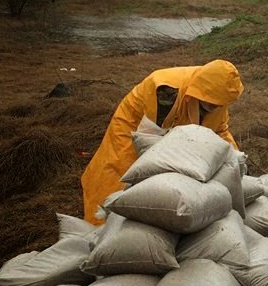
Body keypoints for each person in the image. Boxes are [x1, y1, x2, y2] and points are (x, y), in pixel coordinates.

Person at [81, 59, 244, 223]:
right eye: (210, 103)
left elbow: (220, 131)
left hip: (174, 127)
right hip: (135, 126)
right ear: (201, 92)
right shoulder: (165, 92)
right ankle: (99, 222)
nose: (215, 107)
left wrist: (236, 163)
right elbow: (150, 141)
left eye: (218, 105)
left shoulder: (218, 97)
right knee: (119, 171)